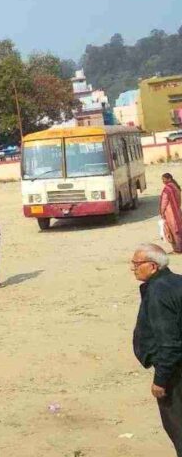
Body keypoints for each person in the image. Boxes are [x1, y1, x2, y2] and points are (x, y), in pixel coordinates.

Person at [131, 243, 182, 454]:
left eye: (136, 264)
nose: (132, 268)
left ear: (152, 267)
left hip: (175, 374)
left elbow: (168, 341)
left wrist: (160, 380)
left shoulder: (158, 292)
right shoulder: (176, 281)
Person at [160, 173, 182, 254]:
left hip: (170, 212)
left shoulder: (167, 189)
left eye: (164, 179)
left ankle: (178, 249)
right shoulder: (176, 187)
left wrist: (162, 212)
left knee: (174, 230)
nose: (163, 181)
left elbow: (164, 202)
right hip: (177, 211)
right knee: (179, 229)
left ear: (169, 179)